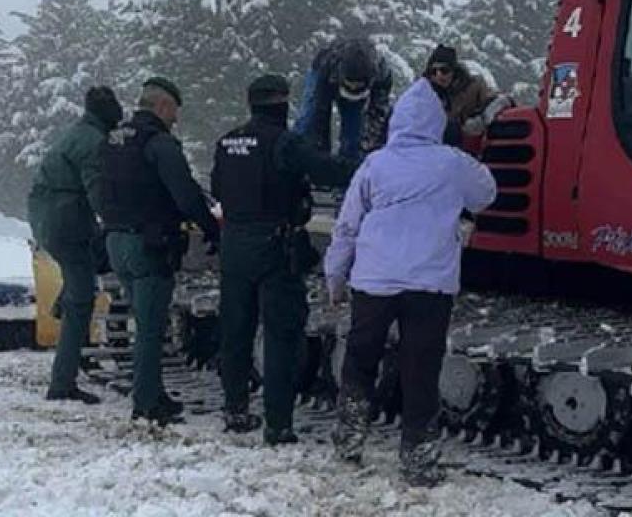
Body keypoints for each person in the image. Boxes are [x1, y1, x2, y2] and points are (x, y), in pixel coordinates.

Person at [325, 79, 496, 486]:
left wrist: (335, 275)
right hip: (430, 286)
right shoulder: (452, 163)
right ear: (436, 123)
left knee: (361, 359)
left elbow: (347, 226)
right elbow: (486, 193)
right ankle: (418, 459)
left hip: (374, 281)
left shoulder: (375, 164)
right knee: (420, 369)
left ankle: (349, 437)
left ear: (397, 122)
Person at [212, 74, 353, 444]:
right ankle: (278, 423)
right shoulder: (285, 142)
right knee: (281, 335)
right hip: (275, 246)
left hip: (234, 245)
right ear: (281, 103)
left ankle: (235, 408)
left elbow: (217, 188)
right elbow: (329, 171)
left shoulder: (227, 142)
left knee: (236, 331)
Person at [101, 77, 221, 425]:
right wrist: (212, 230)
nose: (176, 120)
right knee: (152, 329)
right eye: (175, 112)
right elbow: (185, 194)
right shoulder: (160, 143)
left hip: (116, 242)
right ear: (163, 106)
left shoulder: (112, 140)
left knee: (144, 321)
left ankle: (152, 392)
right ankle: (147, 402)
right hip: (148, 245)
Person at [26, 85, 123, 404]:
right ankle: (62, 382)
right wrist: (120, 220)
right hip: (67, 221)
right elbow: (99, 193)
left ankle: (64, 305)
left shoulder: (81, 131)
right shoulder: (93, 142)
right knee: (83, 297)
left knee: (92, 264)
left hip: (50, 216)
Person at [294, 35, 393, 165]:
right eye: (350, 86)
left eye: (357, 88)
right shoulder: (326, 69)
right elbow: (319, 114)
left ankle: (352, 170)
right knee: (308, 122)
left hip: (356, 89)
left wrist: (369, 144)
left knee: (355, 135)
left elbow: (378, 114)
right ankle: (300, 162)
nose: (352, 89)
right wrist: (319, 157)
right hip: (325, 77)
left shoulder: (382, 75)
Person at [422, 44, 504, 147]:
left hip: (473, 148)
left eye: (444, 70)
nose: (439, 75)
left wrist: (482, 119)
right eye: (433, 71)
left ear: (454, 70)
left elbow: (498, 102)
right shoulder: (426, 95)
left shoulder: (474, 86)